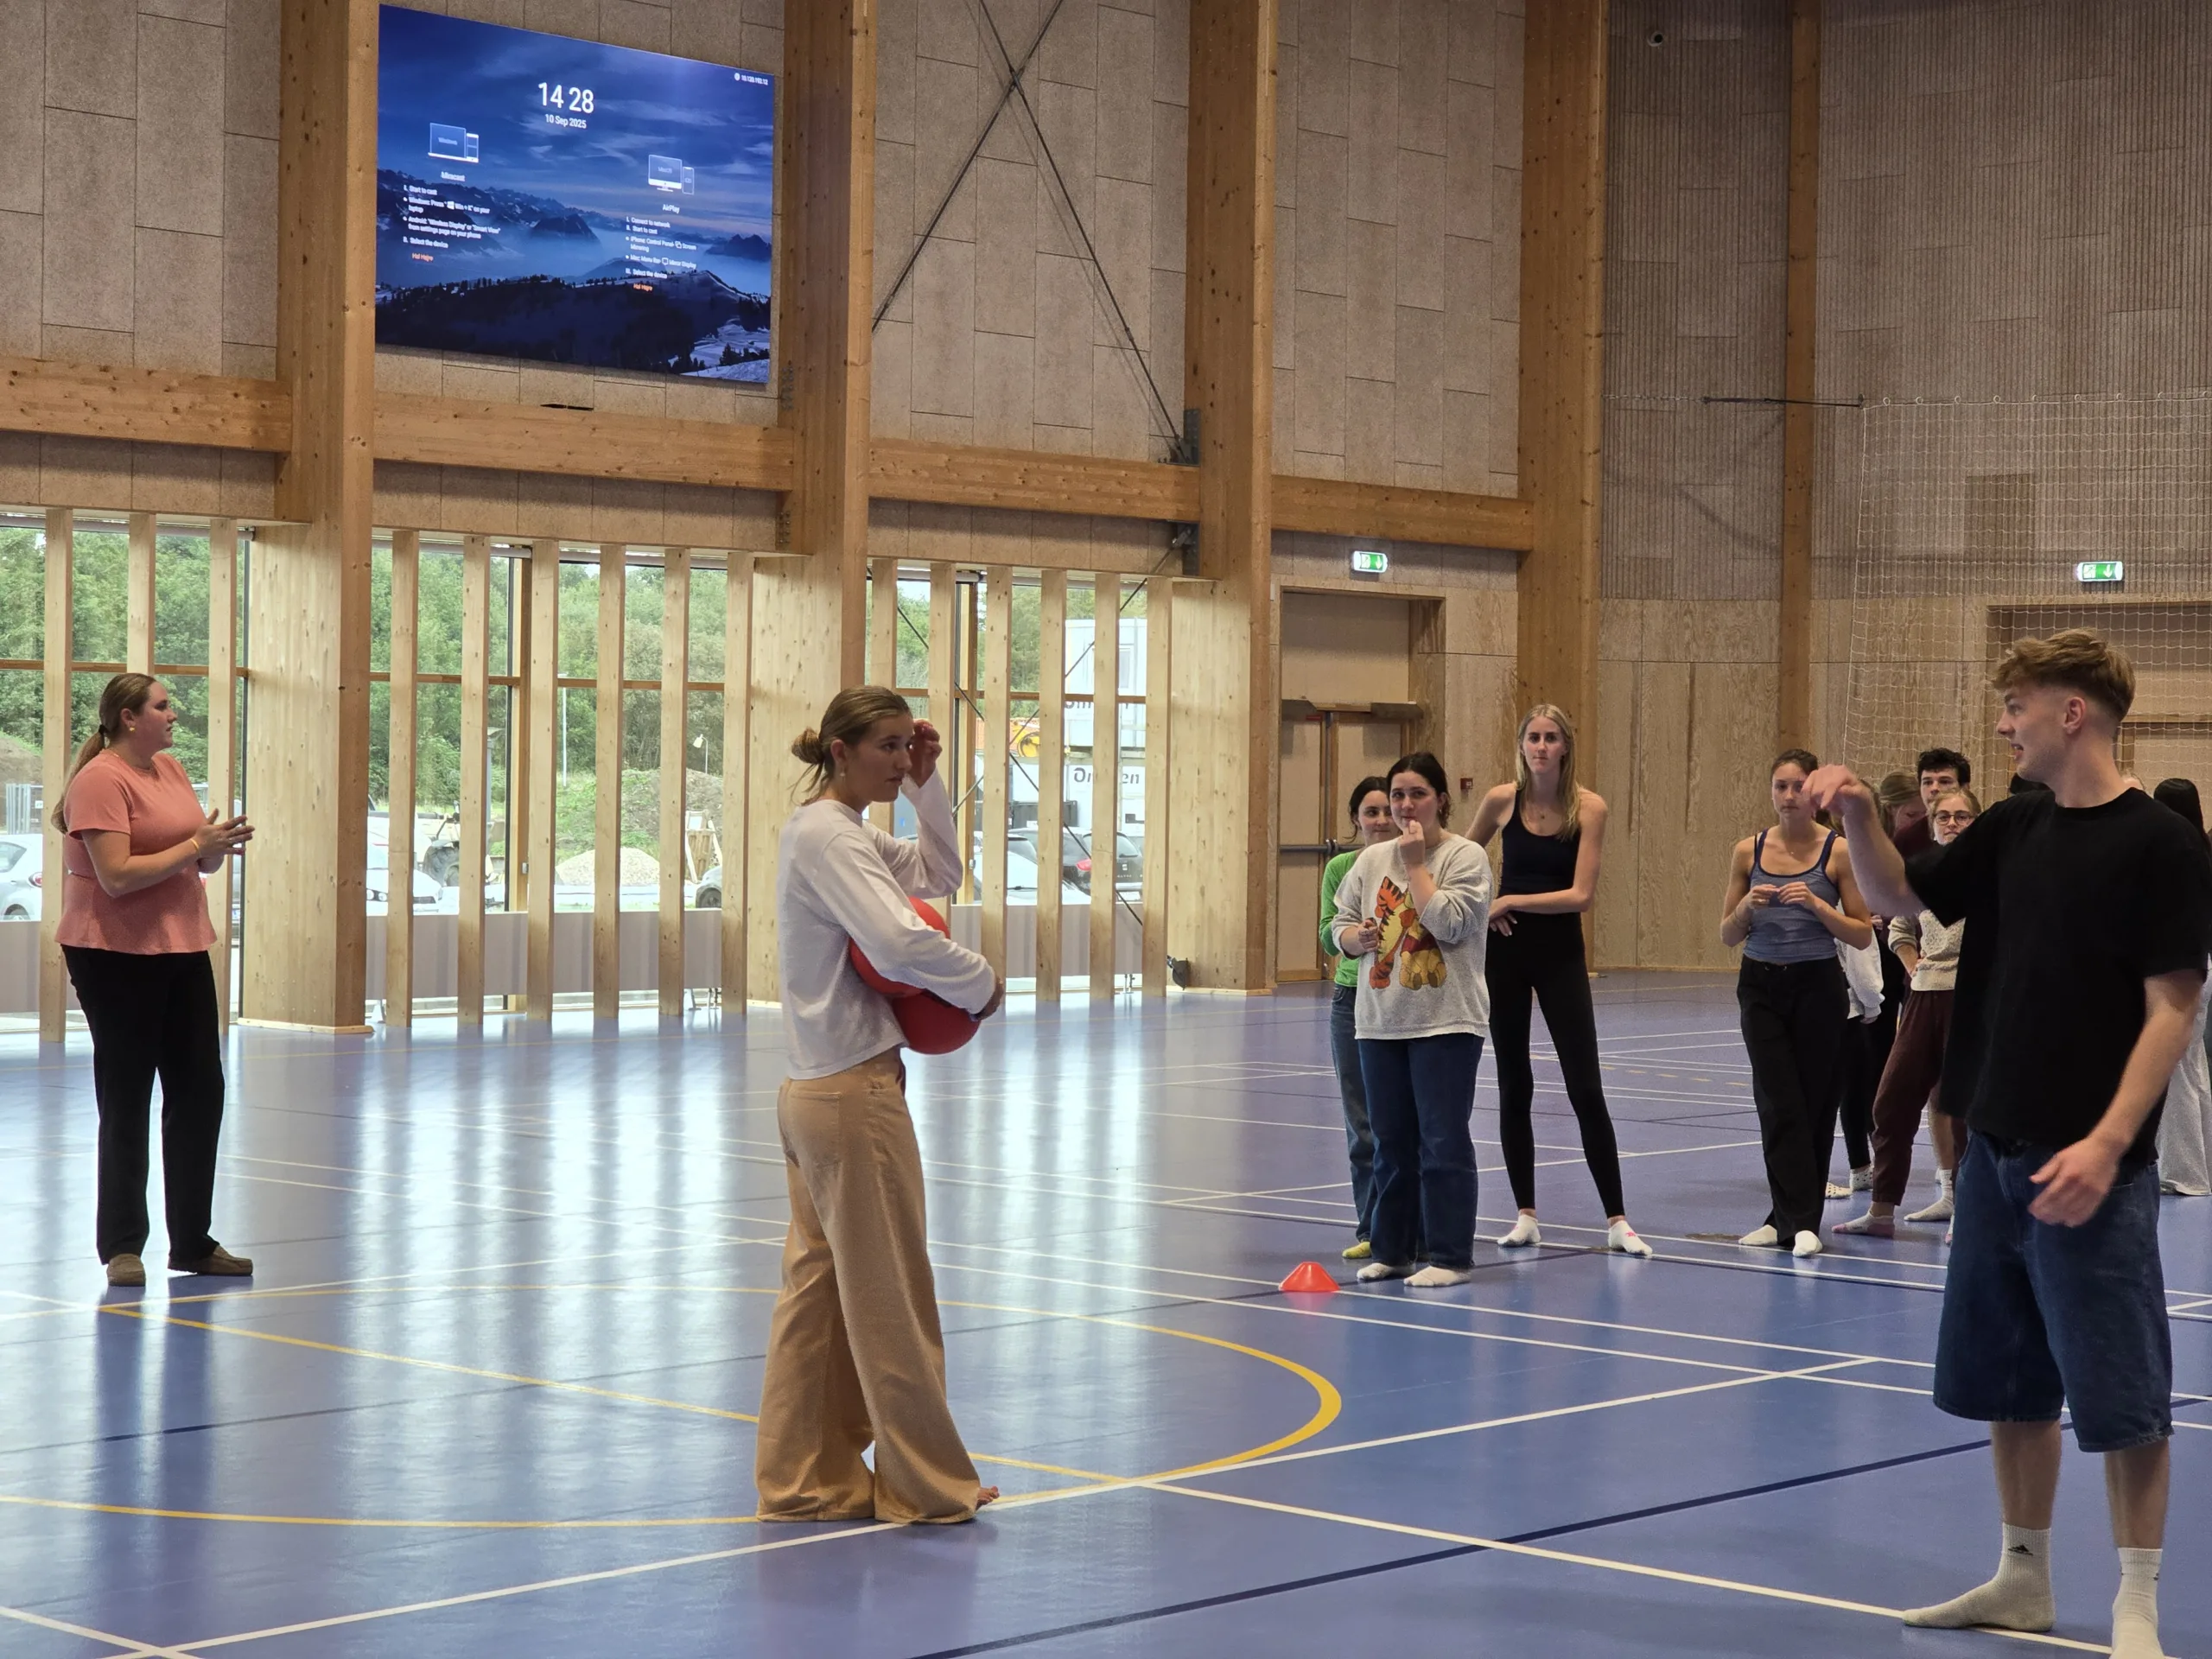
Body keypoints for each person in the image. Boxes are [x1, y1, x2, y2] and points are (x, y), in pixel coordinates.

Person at [1807, 631, 2212, 1659]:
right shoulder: (2013, 826)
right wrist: (1856, 817)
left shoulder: (2161, 846)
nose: (2002, 725)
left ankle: (2135, 1604)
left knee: (2120, 1392)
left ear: (2071, 713)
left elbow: (2173, 1007)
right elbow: (1895, 897)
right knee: (2010, 1381)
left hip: (2093, 1169)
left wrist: (2108, 1141)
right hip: (1993, 1152)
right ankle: (2022, 1577)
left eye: (2016, 707)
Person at [754, 687, 1007, 1526]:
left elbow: (939, 875)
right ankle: (927, 1485)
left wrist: (931, 786)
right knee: (891, 1296)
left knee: (820, 1302)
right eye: (888, 748)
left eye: (908, 746)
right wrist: (980, 985)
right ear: (840, 751)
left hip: (815, 1092)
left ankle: (804, 1481)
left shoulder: (837, 833)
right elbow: (899, 941)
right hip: (851, 1096)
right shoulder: (832, 836)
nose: (901, 761)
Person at [57, 674, 254, 1289]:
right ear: (128, 717)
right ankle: (122, 1246)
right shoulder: (100, 781)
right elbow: (116, 876)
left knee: (200, 1092)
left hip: (181, 944)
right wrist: (194, 845)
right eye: (162, 706)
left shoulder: (169, 770)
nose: (173, 714)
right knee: (127, 1096)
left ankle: (192, 1241)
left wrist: (214, 846)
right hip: (113, 953)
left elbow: (196, 856)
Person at [1466, 705, 1649, 1257]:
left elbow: (1580, 896)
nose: (1541, 747)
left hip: (1560, 954)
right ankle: (1525, 1214)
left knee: (1584, 1086)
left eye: (1550, 738)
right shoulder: (1502, 800)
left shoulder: (1589, 807)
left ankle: (1617, 1220)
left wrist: (1511, 900)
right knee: (1514, 1084)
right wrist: (1484, 908)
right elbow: (1462, 863)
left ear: (1566, 746)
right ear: (1521, 745)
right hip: (1506, 953)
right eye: (1533, 738)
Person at [1332, 752, 1495, 1288]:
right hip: (1379, 1022)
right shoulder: (1369, 860)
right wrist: (1353, 938)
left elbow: (1450, 924)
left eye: (1417, 794)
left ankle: (1449, 1256)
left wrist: (1417, 865)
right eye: (1398, 795)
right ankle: (1393, 1251)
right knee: (1390, 1143)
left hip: (1446, 1023)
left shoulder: (1465, 856)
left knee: (1443, 1143)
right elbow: (1341, 922)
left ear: (1441, 801)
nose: (1405, 806)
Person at [1719, 749, 1874, 1257]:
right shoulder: (1748, 851)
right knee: (1776, 1101)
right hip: (1760, 985)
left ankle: (1792, 1221)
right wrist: (1746, 907)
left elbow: (1861, 933)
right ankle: (1792, 1220)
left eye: (1798, 787)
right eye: (1780, 786)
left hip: (1817, 985)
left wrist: (1817, 904)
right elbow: (1727, 934)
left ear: (1815, 795)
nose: (1789, 796)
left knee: (1814, 1103)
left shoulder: (1838, 852)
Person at [1834, 786, 1979, 1236]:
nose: (1952, 823)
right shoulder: (1923, 871)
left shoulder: (1988, 872)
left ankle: (1967, 1211)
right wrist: (1913, 964)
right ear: (1932, 826)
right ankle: (1881, 1211)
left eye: (1962, 816)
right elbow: (1899, 926)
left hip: (1969, 1000)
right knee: (1891, 1101)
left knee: (1963, 1112)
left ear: (1977, 823)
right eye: (1943, 817)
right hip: (1922, 997)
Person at [1830, 772, 1923, 1197]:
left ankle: (1883, 1154)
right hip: (1870, 962)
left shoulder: (1918, 846)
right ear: (1891, 811)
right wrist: (1859, 917)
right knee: (1861, 1068)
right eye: (1911, 815)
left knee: (1891, 1067)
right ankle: (1860, 1163)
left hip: (1906, 959)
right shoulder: (1860, 848)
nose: (1918, 822)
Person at [1319, 775, 1397, 1259]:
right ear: (1356, 819)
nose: (1382, 820)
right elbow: (1328, 934)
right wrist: (1352, 939)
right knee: (1361, 1122)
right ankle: (1371, 1229)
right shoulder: (1342, 868)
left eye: (1388, 809)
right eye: (1371, 812)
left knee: (1403, 1123)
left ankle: (1413, 1228)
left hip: (1401, 1000)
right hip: (1351, 1000)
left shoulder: (1415, 863)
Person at [2150, 778, 2212, 1197]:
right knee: (2193, 1068)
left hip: (2182, 968)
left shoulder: (2177, 854)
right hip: (2201, 964)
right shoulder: (2201, 850)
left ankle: (2185, 1173)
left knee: (2175, 1073)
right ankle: (2201, 1165)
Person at [1891, 747, 1972, 860]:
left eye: (1944, 781)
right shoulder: (1906, 839)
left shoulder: (1984, 832)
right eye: (1927, 782)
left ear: (1965, 788)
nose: (1934, 788)